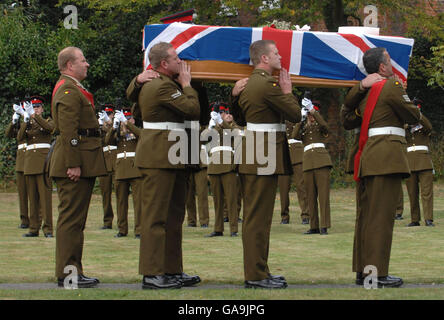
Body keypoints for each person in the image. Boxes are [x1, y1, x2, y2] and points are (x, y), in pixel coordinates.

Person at [344, 47, 421, 288]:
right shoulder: (391, 86)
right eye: (390, 61)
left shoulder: (366, 92)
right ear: (382, 67)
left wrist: (359, 87)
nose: (393, 65)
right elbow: (413, 117)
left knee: (366, 217)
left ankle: (363, 271)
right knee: (380, 218)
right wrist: (401, 91)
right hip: (386, 158)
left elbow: (347, 118)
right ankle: (376, 275)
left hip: (368, 158)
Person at [235, 40, 301, 289]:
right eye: (275, 52)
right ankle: (255, 275)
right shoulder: (268, 84)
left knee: (257, 218)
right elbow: (295, 114)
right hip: (263, 153)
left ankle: (260, 270)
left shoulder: (249, 84)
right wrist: (287, 90)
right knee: (257, 219)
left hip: (255, 150)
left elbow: (240, 117)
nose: (280, 56)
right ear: (264, 58)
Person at [135, 42, 201, 289]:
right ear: (164, 64)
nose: (180, 62)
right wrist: (187, 85)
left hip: (171, 156)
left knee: (174, 217)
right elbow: (192, 110)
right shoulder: (161, 86)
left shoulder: (161, 83)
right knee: (155, 217)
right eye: (175, 58)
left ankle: (172, 270)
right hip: (158, 158)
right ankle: (152, 273)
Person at [50, 46, 107, 288]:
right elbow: (69, 132)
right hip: (74, 161)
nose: (88, 64)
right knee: (71, 221)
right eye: (83, 61)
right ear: (70, 65)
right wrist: (73, 163)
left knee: (75, 221)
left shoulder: (72, 88)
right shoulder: (68, 89)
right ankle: (68, 274)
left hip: (81, 159)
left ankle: (73, 270)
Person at [292, 101, 332, 235]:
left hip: (321, 161)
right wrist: (300, 118)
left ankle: (324, 225)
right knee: (310, 196)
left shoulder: (320, 126)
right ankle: (314, 225)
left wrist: (314, 111)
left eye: (312, 113)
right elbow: (294, 136)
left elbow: (325, 127)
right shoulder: (304, 128)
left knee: (323, 196)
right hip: (308, 162)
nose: (311, 116)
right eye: (309, 114)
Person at [18, 96, 54, 238]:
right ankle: (33, 228)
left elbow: (49, 128)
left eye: (38, 107)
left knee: (45, 199)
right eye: (34, 107)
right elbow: (20, 137)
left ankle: (48, 229)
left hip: (43, 163)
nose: (36, 109)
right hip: (29, 164)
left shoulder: (47, 120)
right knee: (32, 199)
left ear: (42, 109)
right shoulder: (28, 122)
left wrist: (34, 116)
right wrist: (26, 120)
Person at [205, 102, 241, 238]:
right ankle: (218, 228)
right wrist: (210, 126)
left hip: (227, 165)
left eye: (224, 113)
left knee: (231, 199)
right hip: (214, 165)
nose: (224, 115)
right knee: (217, 201)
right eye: (221, 113)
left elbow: (234, 135)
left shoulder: (234, 127)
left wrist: (221, 122)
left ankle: (233, 229)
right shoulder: (215, 128)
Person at [105, 107, 142, 238]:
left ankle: (139, 230)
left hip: (135, 169)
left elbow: (141, 135)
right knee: (121, 202)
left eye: (128, 117)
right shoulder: (117, 133)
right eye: (124, 118)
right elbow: (107, 141)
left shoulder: (136, 130)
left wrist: (128, 124)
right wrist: (114, 126)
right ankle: (122, 229)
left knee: (138, 203)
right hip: (120, 169)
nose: (126, 120)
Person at [404, 108, 435, 227]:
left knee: (426, 193)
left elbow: (429, 127)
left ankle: (428, 219)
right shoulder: (406, 128)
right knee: (412, 193)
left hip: (424, 163)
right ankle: (415, 219)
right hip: (409, 164)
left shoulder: (423, 127)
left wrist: (418, 114)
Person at [278, 120, 309, 225]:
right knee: (283, 188)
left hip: (297, 153)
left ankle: (305, 214)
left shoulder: (298, 116)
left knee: (301, 186)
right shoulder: (279, 117)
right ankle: (284, 216)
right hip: (283, 154)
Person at [6, 101, 29, 229]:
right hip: (21, 161)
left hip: (33, 160)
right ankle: (24, 220)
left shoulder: (34, 122)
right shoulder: (20, 123)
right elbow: (8, 134)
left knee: (34, 193)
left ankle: (36, 219)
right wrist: (14, 121)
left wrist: (27, 116)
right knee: (22, 193)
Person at [186, 124, 210, 228]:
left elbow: (208, 138)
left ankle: (204, 221)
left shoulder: (203, 125)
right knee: (188, 195)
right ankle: (191, 221)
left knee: (202, 194)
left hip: (200, 163)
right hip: (187, 162)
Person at [98, 104, 117, 230]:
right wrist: (99, 125)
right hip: (104, 163)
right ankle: (107, 221)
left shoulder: (117, 125)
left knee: (120, 194)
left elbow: (113, 137)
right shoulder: (100, 127)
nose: (108, 117)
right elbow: (100, 141)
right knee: (105, 194)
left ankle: (122, 221)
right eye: (106, 114)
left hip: (116, 162)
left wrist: (109, 123)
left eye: (109, 114)